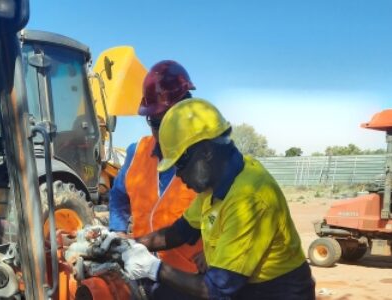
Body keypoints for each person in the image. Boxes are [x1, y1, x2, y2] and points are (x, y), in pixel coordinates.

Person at [121, 99, 315, 300]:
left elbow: (217, 290)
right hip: (245, 287)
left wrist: (152, 268)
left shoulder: (249, 198)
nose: (178, 175)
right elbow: (180, 232)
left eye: (180, 164)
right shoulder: (214, 185)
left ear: (206, 152)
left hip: (276, 292)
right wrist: (129, 246)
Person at [108, 60, 204, 274]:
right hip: (141, 269)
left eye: (169, 122)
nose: (162, 132)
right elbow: (118, 196)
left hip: (189, 278)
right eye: (155, 123)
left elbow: (229, 214)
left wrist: (217, 251)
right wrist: (118, 230)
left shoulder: (206, 159)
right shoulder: (137, 152)